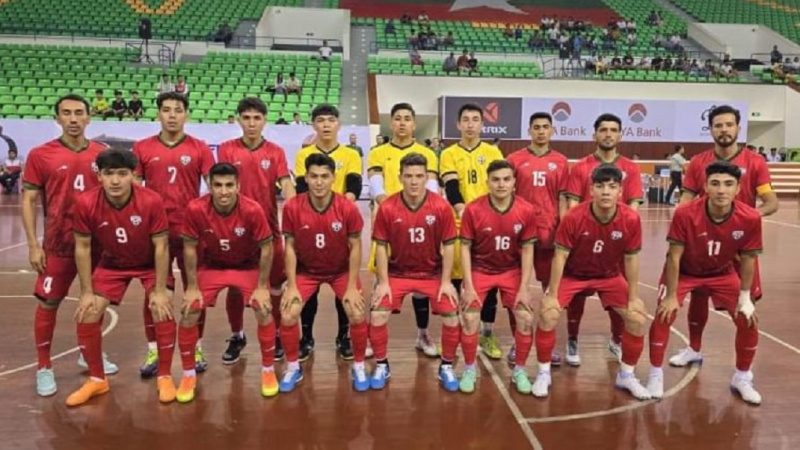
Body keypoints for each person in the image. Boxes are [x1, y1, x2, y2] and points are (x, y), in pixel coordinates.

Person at [23, 94, 118, 397]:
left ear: (89, 117)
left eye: (79, 113)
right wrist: (33, 245)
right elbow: (28, 199)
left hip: (97, 246)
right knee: (48, 303)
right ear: (57, 118)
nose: (73, 119)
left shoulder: (103, 154)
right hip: (58, 244)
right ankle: (43, 366)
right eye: (66, 113)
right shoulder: (41, 155)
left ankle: (87, 354)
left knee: (95, 303)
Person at [670, 105, 778, 368]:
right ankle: (694, 348)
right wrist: (681, 224)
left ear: (738, 128)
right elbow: (686, 201)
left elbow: (771, 202)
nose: (724, 130)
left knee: (745, 305)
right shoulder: (698, 162)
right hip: (704, 244)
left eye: (729, 125)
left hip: (740, 246)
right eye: (718, 125)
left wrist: (748, 220)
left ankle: (744, 371)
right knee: (699, 295)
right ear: (710, 130)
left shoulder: (755, 162)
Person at [648, 161, 763, 404]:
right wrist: (671, 296)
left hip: (721, 272)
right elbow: (674, 256)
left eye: (728, 184)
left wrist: (745, 297)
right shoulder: (685, 213)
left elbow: (748, 259)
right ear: (705, 187)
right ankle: (655, 374)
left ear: (738, 189)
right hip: (685, 272)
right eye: (715, 183)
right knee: (664, 313)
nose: (721, 190)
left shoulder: (750, 217)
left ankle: (742, 377)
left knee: (748, 319)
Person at [532, 165, 650, 400]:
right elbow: (560, 256)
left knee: (637, 318)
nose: (606, 192)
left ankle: (626, 375)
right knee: (548, 313)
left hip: (608, 276)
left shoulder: (630, 218)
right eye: (600, 186)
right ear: (591, 190)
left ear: (620, 191)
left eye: (612, 187)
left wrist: (634, 297)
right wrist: (552, 295)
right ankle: (543, 373)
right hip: (573, 274)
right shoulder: (574, 217)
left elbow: (631, 259)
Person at [68, 148, 175, 406]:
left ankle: (165, 375)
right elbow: (82, 248)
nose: (115, 181)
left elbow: (161, 246)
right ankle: (97, 379)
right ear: (99, 176)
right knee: (88, 312)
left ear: (133, 175)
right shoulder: (86, 203)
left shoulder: (151, 201)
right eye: (109, 174)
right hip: (112, 264)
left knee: (161, 308)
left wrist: (160, 290)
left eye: (122, 174)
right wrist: (85, 292)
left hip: (149, 264)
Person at [177, 163, 277, 402]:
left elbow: (267, 247)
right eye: (218, 185)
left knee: (264, 308)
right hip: (213, 266)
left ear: (238, 186)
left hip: (246, 266)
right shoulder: (196, 208)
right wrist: (191, 287)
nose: (223, 191)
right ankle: (188, 375)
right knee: (190, 310)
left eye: (229, 185)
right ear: (210, 186)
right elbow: (189, 247)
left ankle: (268, 370)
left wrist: (262, 287)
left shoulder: (252, 209)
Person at [133, 92, 215, 377]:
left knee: (196, 290)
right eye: (166, 110)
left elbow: (214, 187)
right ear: (158, 114)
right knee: (155, 292)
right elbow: (134, 190)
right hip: (155, 234)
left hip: (191, 232)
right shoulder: (142, 148)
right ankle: (154, 349)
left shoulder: (199, 148)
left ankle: (196, 347)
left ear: (186, 115)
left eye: (177, 110)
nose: (171, 115)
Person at [369, 152, 460, 391]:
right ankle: (382, 365)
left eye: (419, 176)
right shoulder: (388, 207)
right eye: (408, 176)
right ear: (400, 177)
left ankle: (446, 366)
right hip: (397, 273)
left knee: (452, 317)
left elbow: (449, 245)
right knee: (377, 314)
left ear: (426, 178)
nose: (414, 181)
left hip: (431, 274)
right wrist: (383, 282)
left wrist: (447, 281)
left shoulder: (440, 206)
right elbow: (381, 246)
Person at [217, 97, 296, 363]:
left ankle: (276, 333)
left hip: (269, 230)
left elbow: (286, 182)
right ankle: (237, 335)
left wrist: (295, 207)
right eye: (247, 118)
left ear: (264, 121)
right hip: (235, 231)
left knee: (274, 286)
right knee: (235, 286)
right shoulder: (227, 149)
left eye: (257, 118)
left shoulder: (275, 152)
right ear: (239, 119)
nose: (251, 123)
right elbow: (223, 185)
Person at [279, 153, 366, 391]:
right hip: (307, 271)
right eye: (314, 176)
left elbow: (356, 246)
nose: (319, 182)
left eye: (324, 177)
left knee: (357, 312)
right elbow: (290, 247)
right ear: (305, 178)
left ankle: (359, 366)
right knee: (288, 314)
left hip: (340, 271)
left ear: (333, 178)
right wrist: (291, 285)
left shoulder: (346, 207)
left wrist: (352, 287)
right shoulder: (292, 207)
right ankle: (293, 367)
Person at [562, 113, 643, 366]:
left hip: (615, 245)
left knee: (620, 297)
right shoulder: (580, 167)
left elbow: (633, 208)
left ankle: (616, 340)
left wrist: (621, 238)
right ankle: (572, 339)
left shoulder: (631, 168)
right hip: (583, 243)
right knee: (576, 296)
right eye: (603, 130)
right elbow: (572, 206)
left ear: (621, 134)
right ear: (594, 134)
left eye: (613, 130)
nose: (608, 134)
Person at [367, 103, 441, 357]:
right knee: (381, 280)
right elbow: (376, 185)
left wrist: (424, 213)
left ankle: (422, 334)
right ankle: (372, 338)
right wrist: (392, 209)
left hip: (420, 225)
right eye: (397, 118)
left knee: (420, 283)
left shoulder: (427, 153)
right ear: (391, 123)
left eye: (407, 118)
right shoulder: (378, 152)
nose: (402, 123)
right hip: (389, 222)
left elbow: (432, 187)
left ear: (414, 124)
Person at [459, 160, 537, 394]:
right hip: (480, 269)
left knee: (525, 317)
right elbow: (464, 248)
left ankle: (519, 370)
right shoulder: (473, 210)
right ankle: (469, 369)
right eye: (495, 180)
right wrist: (468, 286)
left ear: (514, 182)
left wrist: (525, 287)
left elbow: (528, 250)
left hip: (511, 270)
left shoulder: (526, 210)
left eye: (506, 179)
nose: (501, 184)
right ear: (488, 182)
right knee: (470, 317)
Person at [293, 104, 363, 361]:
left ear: (338, 125)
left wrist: (338, 211)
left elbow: (353, 187)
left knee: (342, 283)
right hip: (309, 226)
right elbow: (302, 190)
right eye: (320, 120)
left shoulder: (351, 154)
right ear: (313, 124)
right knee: (308, 284)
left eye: (331, 120)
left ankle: (343, 337)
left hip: (339, 225)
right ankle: (307, 337)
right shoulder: (304, 155)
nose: (325, 125)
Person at [439, 103, 504, 360]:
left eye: (475, 119)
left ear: (482, 124)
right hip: (460, 223)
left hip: (489, 225)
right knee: (457, 280)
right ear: (458, 124)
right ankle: (457, 333)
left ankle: (487, 334)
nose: (470, 124)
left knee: (489, 280)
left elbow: (500, 186)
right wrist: (462, 210)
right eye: (465, 119)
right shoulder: (449, 153)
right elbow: (451, 187)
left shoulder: (492, 152)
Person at [506, 112, 569, 365]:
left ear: (552, 130)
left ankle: (547, 343)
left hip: (549, 233)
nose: (541, 131)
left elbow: (563, 198)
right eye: (536, 127)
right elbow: (506, 194)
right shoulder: (514, 159)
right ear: (529, 130)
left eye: (545, 127)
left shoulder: (561, 161)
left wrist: (563, 229)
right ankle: (517, 341)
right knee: (515, 289)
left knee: (549, 290)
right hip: (519, 233)